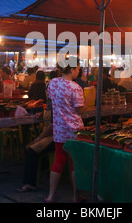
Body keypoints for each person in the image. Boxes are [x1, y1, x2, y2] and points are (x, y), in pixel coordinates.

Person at [45, 59, 91, 203]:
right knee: (74, 163)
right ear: (71, 70)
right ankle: (75, 197)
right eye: (77, 69)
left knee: (59, 160)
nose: (78, 71)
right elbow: (79, 110)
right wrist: (89, 100)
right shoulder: (75, 87)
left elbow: (50, 98)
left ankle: (51, 196)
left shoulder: (53, 83)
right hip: (74, 130)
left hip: (59, 129)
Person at [16, 104, 55, 193]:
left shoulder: (57, 102)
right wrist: (43, 113)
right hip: (48, 135)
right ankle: (43, 169)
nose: (48, 92)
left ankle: (30, 184)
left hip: (56, 136)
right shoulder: (50, 102)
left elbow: (52, 127)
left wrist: (38, 139)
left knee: (31, 150)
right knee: (28, 149)